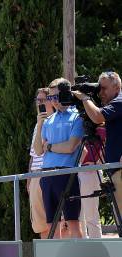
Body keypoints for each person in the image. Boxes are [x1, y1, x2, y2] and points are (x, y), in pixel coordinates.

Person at [33, 78, 84, 239]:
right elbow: (38, 150)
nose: (53, 101)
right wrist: (40, 124)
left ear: (66, 94)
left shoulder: (78, 116)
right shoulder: (48, 121)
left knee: (72, 222)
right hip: (47, 176)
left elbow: (70, 147)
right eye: (50, 97)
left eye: (56, 96)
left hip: (67, 174)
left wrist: (50, 147)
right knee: (51, 225)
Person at [73, 71, 122, 216]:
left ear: (117, 87)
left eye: (104, 88)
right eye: (99, 88)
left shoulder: (119, 101)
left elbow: (97, 117)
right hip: (116, 169)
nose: (100, 93)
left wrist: (84, 98)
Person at [28, 88, 54, 239]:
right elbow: (33, 154)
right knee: (40, 224)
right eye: (37, 100)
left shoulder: (56, 121)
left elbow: (44, 150)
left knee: (58, 222)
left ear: (51, 101)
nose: (39, 103)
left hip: (50, 173)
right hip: (36, 176)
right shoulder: (37, 124)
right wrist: (29, 178)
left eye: (43, 100)